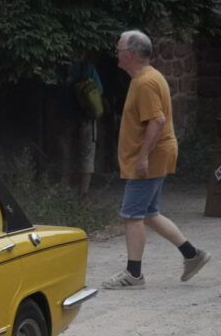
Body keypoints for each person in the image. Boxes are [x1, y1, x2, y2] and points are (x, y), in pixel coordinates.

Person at [102, 30, 210, 289]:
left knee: (132, 215)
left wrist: (142, 157)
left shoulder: (145, 82)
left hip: (150, 157)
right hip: (155, 155)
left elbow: (157, 120)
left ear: (131, 53)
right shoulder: (146, 78)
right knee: (149, 213)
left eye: (119, 50)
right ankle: (192, 255)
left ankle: (134, 274)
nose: (116, 54)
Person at [60, 58, 103, 195]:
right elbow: (100, 90)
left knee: (66, 151)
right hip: (87, 117)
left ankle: (64, 186)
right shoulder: (88, 68)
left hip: (67, 115)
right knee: (87, 153)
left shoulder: (62, 68)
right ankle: (83, 191)